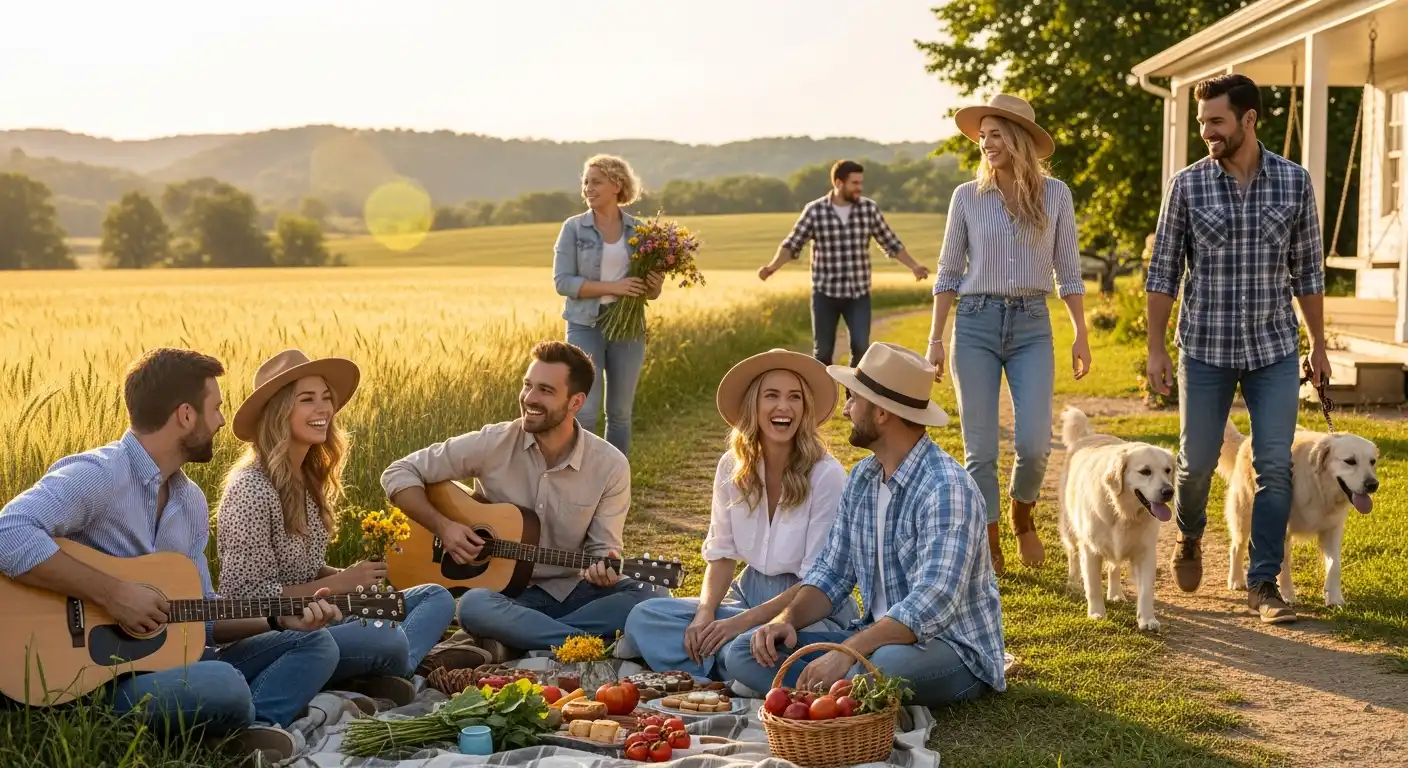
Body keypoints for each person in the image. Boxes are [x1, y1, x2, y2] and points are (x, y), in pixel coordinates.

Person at [0, 348, 343, 764]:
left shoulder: (190, 500)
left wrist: (277, 616)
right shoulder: (101, 474)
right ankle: (237, 720)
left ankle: (246, 733)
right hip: (92, 681)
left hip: (171, 664)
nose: (221, 421)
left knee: (316, 644)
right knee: (224, 683)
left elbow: (205, 617)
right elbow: (8, 532)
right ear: (185, 415)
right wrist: (112, 594)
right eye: (215, 409)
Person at [722, 342, 1007, 708]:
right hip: (872, 641)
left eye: (853, 399)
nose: (846, 411)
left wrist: (847, 651)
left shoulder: (946, 488)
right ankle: (835, 693)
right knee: (745, 651)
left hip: (949, 649)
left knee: (880, 667)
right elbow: (831, 573)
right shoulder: (863, 479)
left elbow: (931, 603)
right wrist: (786, 620)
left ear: (883, 413)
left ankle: (828, 688)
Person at [1145, 73, 1329, 625]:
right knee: (1196, 463)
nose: (1207, 132)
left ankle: (1263, 582)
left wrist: (1318, 344)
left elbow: (1309, 273)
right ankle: (1191, 535)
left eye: (1216, 121)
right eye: (1202, 123)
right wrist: (1155, 348)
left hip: (1273, 348)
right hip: (1205, 346)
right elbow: (1162, 273)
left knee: (1274, 465)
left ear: (1249, 120)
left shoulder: (1295, 183)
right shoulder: (1187, 185)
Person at [380, 340, 660, 655]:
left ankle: (527, 640)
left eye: (545, 390)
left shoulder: (609, 465)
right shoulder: (494, 442)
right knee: (473, 606)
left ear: (576, 402)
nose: (529, 398)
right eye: (527, 386)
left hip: (569, 593)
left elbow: (602, 550)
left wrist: (604, 570)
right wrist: (444, 527)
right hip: (503, 597)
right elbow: (398, 472)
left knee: (651, 596)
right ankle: (583, 644)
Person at [215, 349, 456, 707]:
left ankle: (383, 671)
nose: (324, 409)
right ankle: (396, 667)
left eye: (326, 398)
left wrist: (348, 577)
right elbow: (246, 601)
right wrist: (339, 585)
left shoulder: (308, 478)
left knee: (435, 597)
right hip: (278, 636)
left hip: (322, 613)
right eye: (307, 400)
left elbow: (306, 570)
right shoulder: (250, 489)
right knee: (386, 639)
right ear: (279, 412)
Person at [924, 94, 1091, 576]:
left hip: (1032, 325)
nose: (986, 143)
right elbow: (948, 270)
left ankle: (1022, 515)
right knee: (980, 449)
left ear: (1018, 138)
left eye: (995, 134)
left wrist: (1081, 332)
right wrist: (936, 338)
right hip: (974, 322)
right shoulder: (966, 197)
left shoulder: (1055, 194)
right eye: (982, 136)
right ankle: (991, 538)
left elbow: (1069, 270)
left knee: (1036, 443)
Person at [623, 349, 859, 684]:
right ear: (754, 406)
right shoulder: (731, 467)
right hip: (747, 593)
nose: (783, 407)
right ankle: (741, 671)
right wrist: (704, 615)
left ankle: (729, 664)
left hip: (806, 608)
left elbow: (816, 581)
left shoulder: (826, 475)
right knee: (644, 617)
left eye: (794, 397)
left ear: (805, 409)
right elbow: (722, 554)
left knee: (750, 645)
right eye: (771, 396)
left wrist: (736, 624)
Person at [758, 159, 931, 367]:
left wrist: (914, 266)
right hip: (825, 293)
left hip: (858, 293)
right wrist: (772, 267)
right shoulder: (815, 211)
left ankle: (853, 399)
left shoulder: (868, 209)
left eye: (860, 183)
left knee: (860, 348)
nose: (860, 187)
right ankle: (824, 398)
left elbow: (891, 242)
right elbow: (792, 244)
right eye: (855, 183)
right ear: (839, 183)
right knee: (822, 352)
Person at [552, 154, 665, 457]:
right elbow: (563, 282)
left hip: (628, 326)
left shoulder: (639, 232)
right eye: (585, 182)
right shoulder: (573, 229)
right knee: (585, 412)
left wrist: (654, 283)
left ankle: (615, 486)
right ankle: (580, 480)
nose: (588, 188)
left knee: (619, 414)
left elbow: (651, 294)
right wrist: (614, 287)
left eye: (596, 182)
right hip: (584, 325)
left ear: (617, 185)